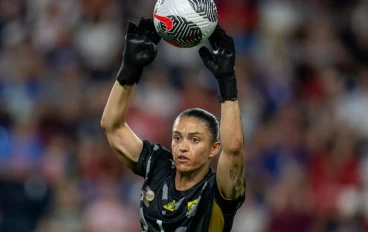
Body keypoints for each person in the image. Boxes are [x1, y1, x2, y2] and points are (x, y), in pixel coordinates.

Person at [101, 17, 246, 232]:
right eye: (177, 137)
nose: (183, 146)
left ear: (214, 148)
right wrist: (129, 69)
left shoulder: (218, 190)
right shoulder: (158, 165)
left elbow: (233, 149)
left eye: (194, 139)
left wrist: (227, 82)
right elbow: (112, 126)